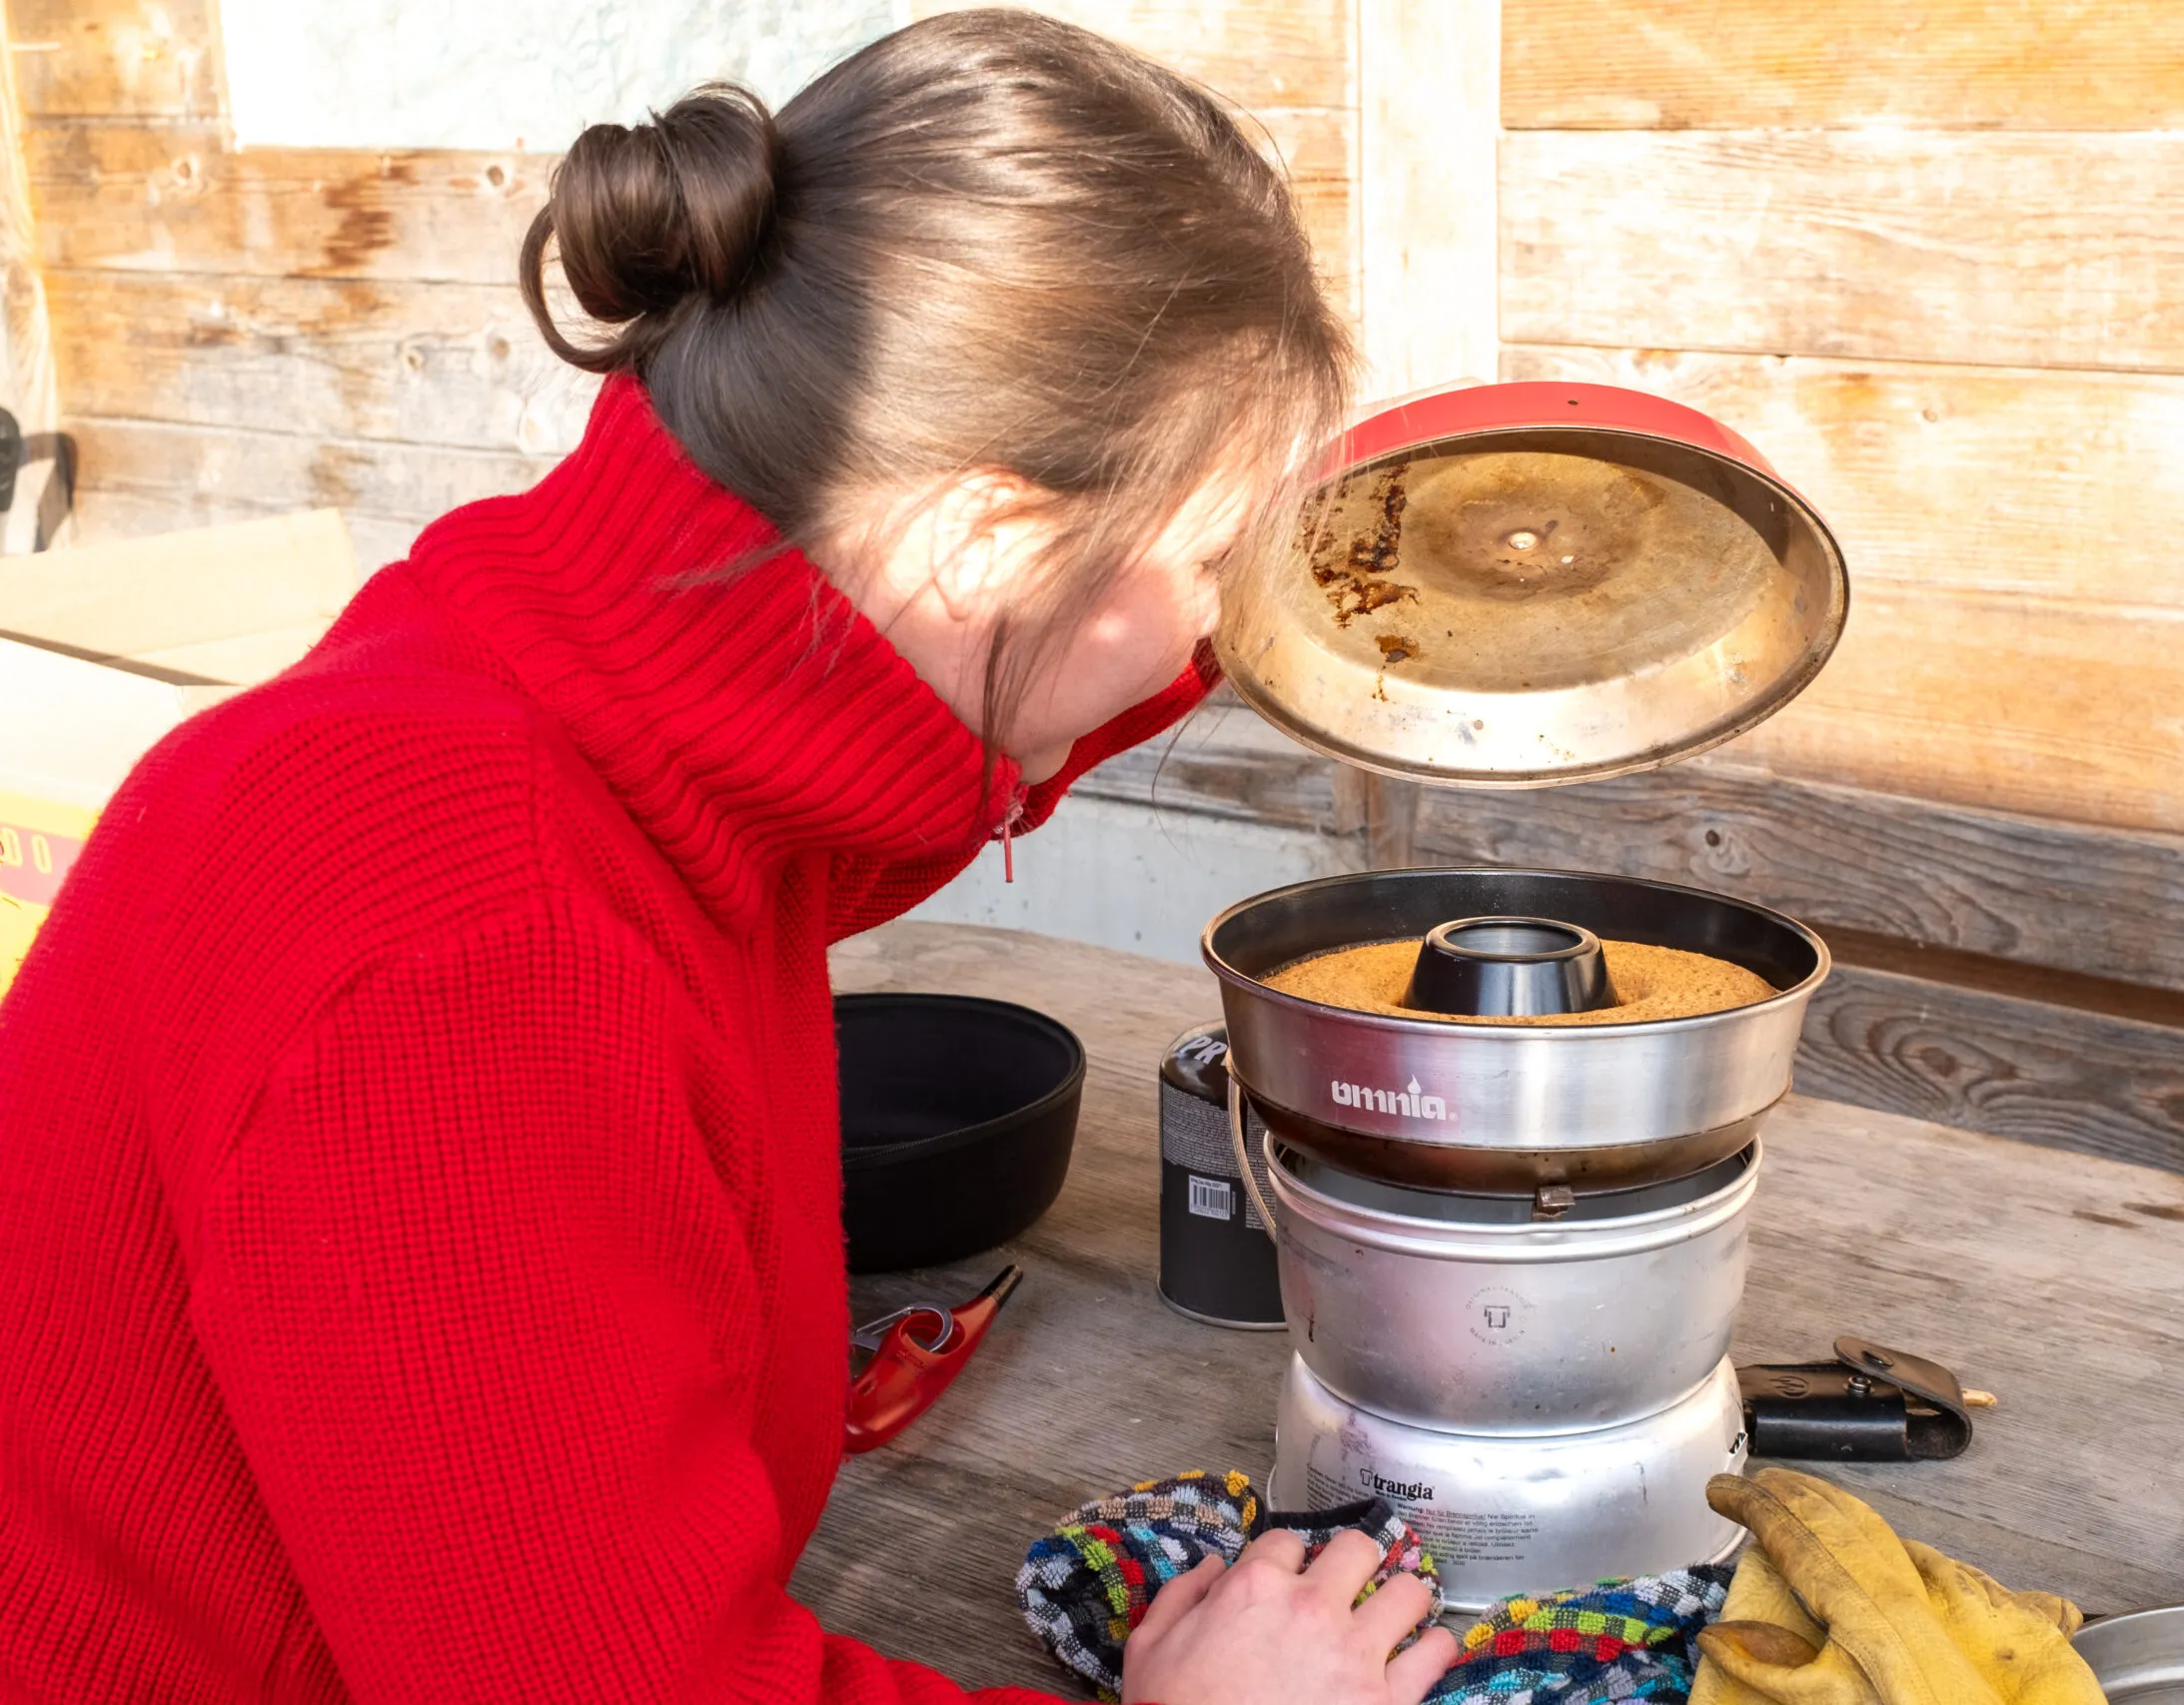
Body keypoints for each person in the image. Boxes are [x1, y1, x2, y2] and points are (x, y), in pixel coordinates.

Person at [0, 12, 1460, 1703]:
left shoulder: (561, 695)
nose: (1213, 632)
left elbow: (871, 793)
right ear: (980, 534)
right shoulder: (470, 944)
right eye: (1213, 562)